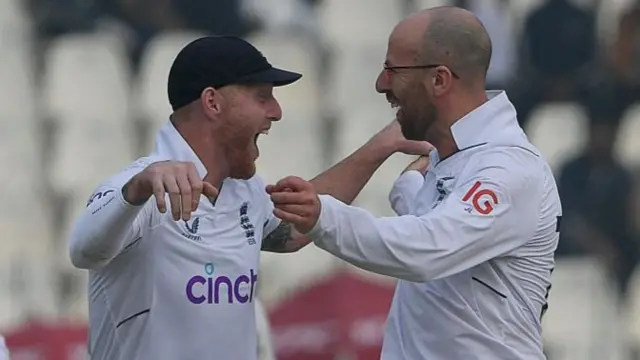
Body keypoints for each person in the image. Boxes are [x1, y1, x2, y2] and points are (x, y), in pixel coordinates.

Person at [68, 35, 429, 360]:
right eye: (262, 96)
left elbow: (295, 231)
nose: (276, 111)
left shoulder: (246, 190)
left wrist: (381, 147)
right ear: (213, 102)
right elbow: (84, 251)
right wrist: (137, 188)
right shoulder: (143, 186)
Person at [267, 6, 561, 360]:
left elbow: (426, 249)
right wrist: (406, 186)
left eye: (394, 70)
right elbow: (440, 226)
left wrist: (324, 216)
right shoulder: (457, 158)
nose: (381, 84)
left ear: (439, 79)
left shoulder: (506, 168)